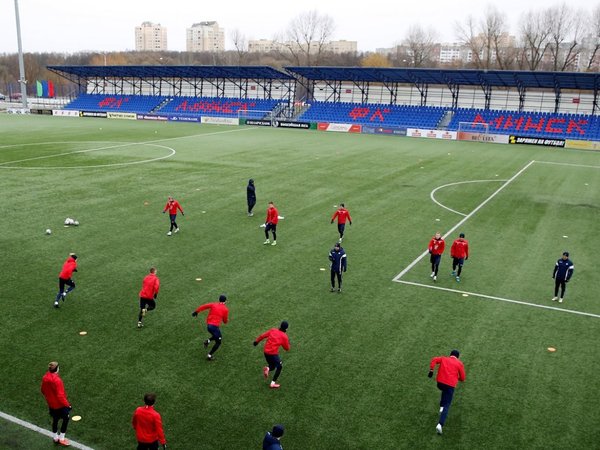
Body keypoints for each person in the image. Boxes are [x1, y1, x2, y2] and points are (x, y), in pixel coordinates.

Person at [428, 350, 466, 435]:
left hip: (440, 383)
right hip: (450, 385)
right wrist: (457, 378)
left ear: (450, 355)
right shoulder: (459, 364)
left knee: (444, 390)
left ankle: (441, 406)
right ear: (458, 357)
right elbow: (463, 378)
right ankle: (440, 424)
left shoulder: (444, 358)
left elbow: (434, 360)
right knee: (447, 405)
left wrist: (431, 370)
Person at [41, 361, 72, 447]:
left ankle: (55, 438)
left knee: (55, 420)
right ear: (57, 369)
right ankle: (62, 439)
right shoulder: (57, 381)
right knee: (66, 419)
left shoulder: (45, 378)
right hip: (60, 405)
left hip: (51, 404)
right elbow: (61, 396)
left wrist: (50, 398)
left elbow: (43, 390)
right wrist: (68, 405)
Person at [254, 321, 290, 389]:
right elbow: (287, 348)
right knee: (279, 366)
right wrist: (288, 344)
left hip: (266, 352)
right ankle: (272, 383)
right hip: (273, 354)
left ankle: (267, 368)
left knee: (272, 366)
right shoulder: (284, 336)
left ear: (280, 326)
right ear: (286, 329)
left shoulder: (273, 330)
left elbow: (262, 336)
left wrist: (256, 341)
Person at [192, 294, 229, 360]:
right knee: (218, 342)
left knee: (217, 336)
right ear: (225, 301)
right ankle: (209, 355)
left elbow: (203, 306)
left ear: (219, 300)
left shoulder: (213, 304)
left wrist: (196, 311)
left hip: (209, 326)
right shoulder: (225, 309)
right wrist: (226, 320)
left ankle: (207, 341)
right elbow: (225, 321)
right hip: (214, 327)